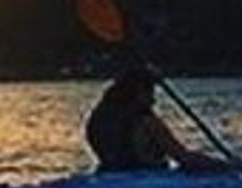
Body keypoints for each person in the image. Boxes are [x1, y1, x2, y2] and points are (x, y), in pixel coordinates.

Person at [84, 65, 228, 173]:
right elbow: (183, 158)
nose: (153, 101)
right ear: (138, 93)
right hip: (148, 181)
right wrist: (225, 166)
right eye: (150, 93)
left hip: (107, 176)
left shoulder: (99, 118)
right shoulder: (147, 122)